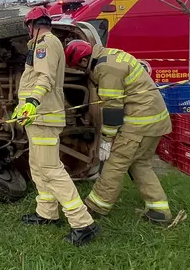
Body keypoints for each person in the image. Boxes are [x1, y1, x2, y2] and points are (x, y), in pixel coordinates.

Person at [11, 6, 100, 246]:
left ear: (31, 26)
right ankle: (47, 213)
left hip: (43, 115)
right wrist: (24, 107)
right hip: (37, 117)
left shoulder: (45, 44)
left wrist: (31, 102)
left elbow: (45, 78)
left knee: (50, 169)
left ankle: (83, 223)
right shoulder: (45, 44)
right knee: (38, 167)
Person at [64, 39, 173, 224]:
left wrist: (107, 138)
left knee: (116, 163)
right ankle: (159, 210)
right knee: (139, 163)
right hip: (154, 120)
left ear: (83, 61)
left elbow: (113, 107)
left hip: (140, 123)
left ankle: (96, 207)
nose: (84, 71)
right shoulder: (109, 55)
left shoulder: (106, 69)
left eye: (81, 68)